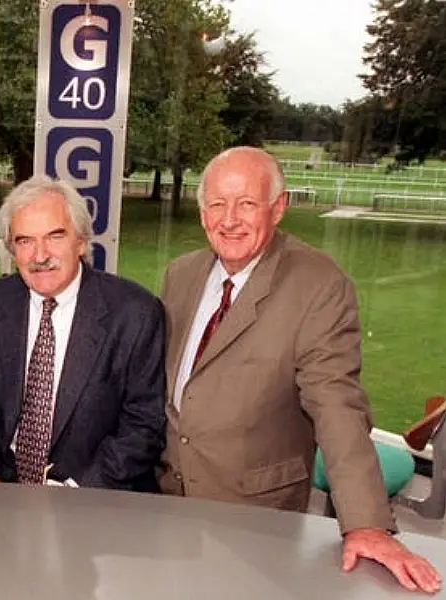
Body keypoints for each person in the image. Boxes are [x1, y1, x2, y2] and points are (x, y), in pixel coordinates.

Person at [160, 146, 441, 593]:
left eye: (247, 203)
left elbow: (338, 406)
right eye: (217, 204)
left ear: (278, 208)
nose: (229, 219)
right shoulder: (181, 274)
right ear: (202, 213)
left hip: (253, 515)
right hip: (163, 504)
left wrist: (366, 523)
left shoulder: (319, 286)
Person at [0, 176, 166, 489]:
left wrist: (76, 491)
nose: (40, 256)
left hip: (94, 495)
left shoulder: (135, 313)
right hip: (0, 494)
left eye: (54, 237)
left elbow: (143, 426)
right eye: (25, 241)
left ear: (81, 241)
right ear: (12, 249)